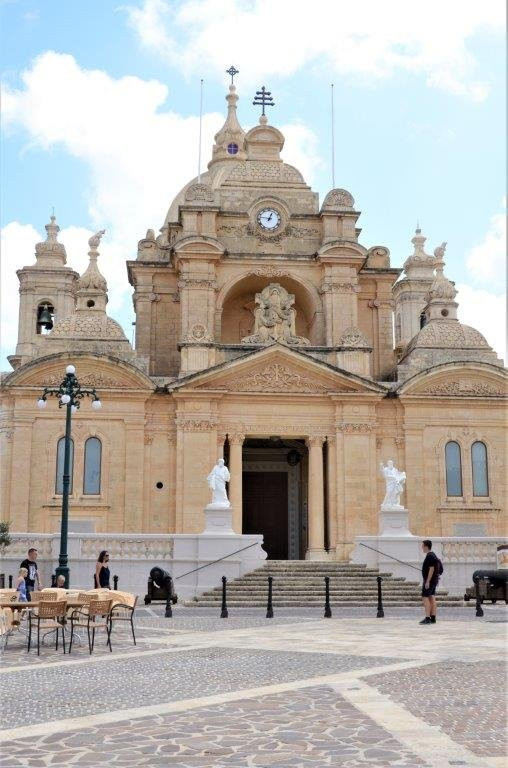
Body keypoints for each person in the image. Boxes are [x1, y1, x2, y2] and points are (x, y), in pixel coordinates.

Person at [420, 539, 439, 625]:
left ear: (426, 546)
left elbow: (431, 569)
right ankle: (433, 618)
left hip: (430, 581)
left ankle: (427, 618)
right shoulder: (433, 555)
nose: (422, 547)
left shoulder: (430, 556)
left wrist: (427, 581)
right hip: (434, 580)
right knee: (431, 597)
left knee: (425, 597)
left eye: (422, 546)